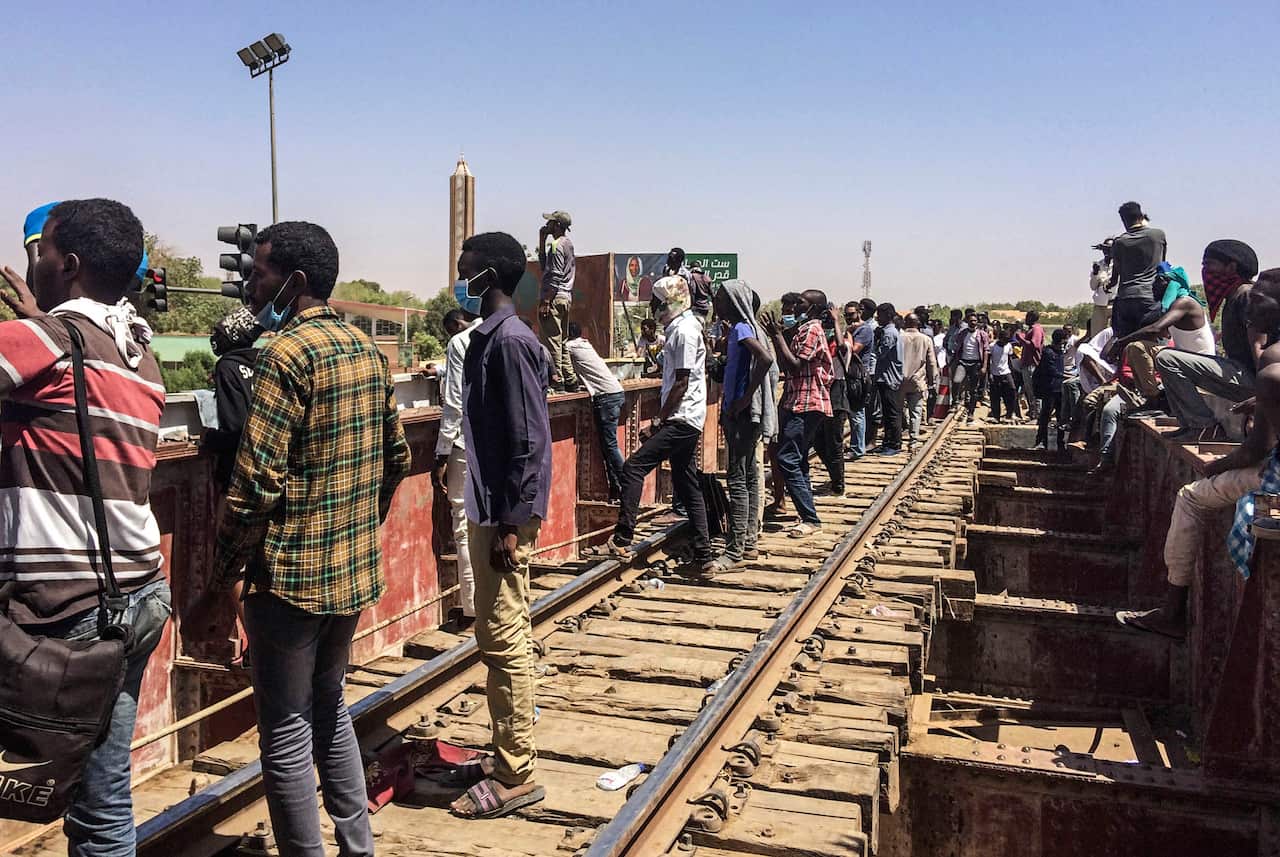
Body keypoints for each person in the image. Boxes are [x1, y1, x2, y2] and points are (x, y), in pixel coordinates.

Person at [211, 221, 411, 853]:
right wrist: (356, 525)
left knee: (288, 729)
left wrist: (222, 576)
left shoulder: (286, 355)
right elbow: (398, 457)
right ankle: (358, 846)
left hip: (290, 579)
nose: (251, 284)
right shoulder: (367, 354)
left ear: (292, 281)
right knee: (330, 708)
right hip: (351, 574)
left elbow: (252, 485)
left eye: (260, 273)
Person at [1, 199, 169, 857]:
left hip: (70, 609)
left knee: (96, 815)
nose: (31, 264)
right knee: (103, 799)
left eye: (39, 251)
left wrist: (33, 324)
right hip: (138, 592)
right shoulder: (138, 356)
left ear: (65, 263)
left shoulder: (44, 340)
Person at [447, 231, 553, 819]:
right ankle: (505, 751)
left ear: (488, 275)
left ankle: (517, 772)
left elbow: (529, 439)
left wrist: (513, 523)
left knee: (505, 637)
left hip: (504, 515)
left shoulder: (509, 342)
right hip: (494, 507)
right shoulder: (493, 340)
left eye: (466, 270)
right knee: (497, 633)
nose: (459, 279)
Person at [1118, 271, 1280, 638]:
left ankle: (1172, 610)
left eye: (1258, 302)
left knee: (1190, 498)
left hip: (1273, 476)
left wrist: (1217, 466)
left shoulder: (1270, 363)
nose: (1248, 309)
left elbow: (1258, 450)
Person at [609, 276, 718, 570]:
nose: (653, 306)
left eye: (656, 301)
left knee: (633, 468)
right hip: (688, 417)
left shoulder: (683, 332)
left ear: (670, 301)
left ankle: (622, 538)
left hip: (681, 418)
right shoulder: (685, 328)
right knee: (687, 481)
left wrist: (658, 421)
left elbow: (681, 382)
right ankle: (703, 554)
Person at [1155, 240, 1263, 439]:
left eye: (1209, 264)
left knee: (1167, 359)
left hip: (1253, 379)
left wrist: (1264, 395)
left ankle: (1203, 427)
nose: (1205, 271)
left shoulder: (1246, 294)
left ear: (1231, 267)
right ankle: (1192, 425)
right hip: (1241, 373)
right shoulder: (1235, 296)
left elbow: (1260, 346)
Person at [761, 289, 834, 537]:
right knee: (797, 458)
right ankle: (808, 514)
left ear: (813, 308)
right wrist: (780, 338)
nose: (795, 308)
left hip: (808, 402)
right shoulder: (803, 330)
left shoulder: (812, 329)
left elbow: (794, 366)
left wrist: (777, 335)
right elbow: (785, 363)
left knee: (787, 459)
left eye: (801, 304)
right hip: (796, 401)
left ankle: (810, 518)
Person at [715, 281, 777, 566]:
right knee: (751, 479)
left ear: (732, 302)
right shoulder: (751, 328)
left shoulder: (741, 328)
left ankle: (734, 551)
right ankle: (749, 542)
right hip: (747, 414)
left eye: (720, 298)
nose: (716, 303)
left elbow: (764, 360)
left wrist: (742, 399)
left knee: (737, 480)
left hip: (741, 416)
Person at [433, 307, 483, 625]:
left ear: (455, 324)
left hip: (466, 443)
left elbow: (453, 401)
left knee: (462, 523)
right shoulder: (502, 333)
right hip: (498, 443)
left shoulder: (460, 341)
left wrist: (441, 454)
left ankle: (472, 607)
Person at [1110, 269, 1215, 412]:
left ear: (1171, 284)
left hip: (1199, 365)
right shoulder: (1173, 307)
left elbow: (1154, 329)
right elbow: (1154, 333)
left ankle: (1155, 400)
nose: (1153, 285)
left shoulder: (1185, 303)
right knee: (1134, 348)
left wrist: (1119, 343)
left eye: (1159, 281)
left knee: (1137, 347)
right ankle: (1152, 396)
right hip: (1184, 360)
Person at [566, 322, 626, 502]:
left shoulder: (569, 347)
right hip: (614, 392)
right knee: (608, 446)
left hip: (605, 397)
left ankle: (627, 483)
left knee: (610, 446)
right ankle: (617, 489)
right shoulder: (585, 344)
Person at [205, 305, 262, 494]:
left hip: (237, 474)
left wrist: (210, 438)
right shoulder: (263, 361)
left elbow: (235, 431)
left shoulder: (227, 366)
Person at [1107, 202, 1168, 338]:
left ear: (1123, 220)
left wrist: (1109, 285)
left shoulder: (1119, 242)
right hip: (1149, 296)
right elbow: (1163, 265)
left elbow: (1115, 275)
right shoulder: (1157, 235)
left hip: (1125, 298)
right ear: (1141, 216)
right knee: (1151, 342)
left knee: (1124, 342)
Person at [537, 210, 577, 392]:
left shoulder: (555, 245)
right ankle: (571, 380)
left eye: (551, 223)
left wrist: (546, 300)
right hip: (565, 297)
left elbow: (554, 274)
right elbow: (545, 266)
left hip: (553, 297)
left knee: (552, 341)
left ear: (558, 226)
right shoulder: (567, 244)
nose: (548, 225)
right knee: (561, 342)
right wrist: (541, 240)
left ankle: (557, 381)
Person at [815, 305, 850, 493]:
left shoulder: (843, 343)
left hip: (837, 393)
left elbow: (842, 347)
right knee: (818, 440)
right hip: (822, 393)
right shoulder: (822, 341)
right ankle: (833, 475)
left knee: (834, 442)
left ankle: (838, 485)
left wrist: (836, 321)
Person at [870, 303, 904, 455]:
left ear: (888, 316)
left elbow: (880, 353)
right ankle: (887, 442)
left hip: (889, 378)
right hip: (885, 377)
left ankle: (895, 444)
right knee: (887, 412)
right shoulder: (889, 331)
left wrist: (876, 339)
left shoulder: (889, 333)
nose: (878, 318)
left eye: (880, 315)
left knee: (892, 413)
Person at [899, 313, 937, 448]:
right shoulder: (925, 339)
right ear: (918, 323)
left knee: (899, 409)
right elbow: (931, 362)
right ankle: (913, 439)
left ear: (905, 323)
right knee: (916, 410)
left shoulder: (899, 337)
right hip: (917, 380)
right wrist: (932, 380)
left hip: (899, 379)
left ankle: (899, 434)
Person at [848, 298, 879, 457]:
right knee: (853, 412)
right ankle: (856, 445)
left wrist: (847, 333)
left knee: (858, 412)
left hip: (860, 375)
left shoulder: (865, 330)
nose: (848, 318)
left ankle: (857, 448)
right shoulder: (854, 329)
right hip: (850, 374)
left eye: (851, 314)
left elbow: (852, 350)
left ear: (859, 313)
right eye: (846, 315)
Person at [1033, 328, 1067, 450]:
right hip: (1050, 389)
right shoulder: (1048, 352)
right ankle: (1041, 441)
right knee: (1045, 416)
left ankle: (1061, 443)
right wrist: (1066, 375)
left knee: (1061, 417)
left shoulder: (1060, 353)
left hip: (1060, 389)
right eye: (1063, 342)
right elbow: (1052, 370)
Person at [953, 310, 990, 422]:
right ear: (968, 322)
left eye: (975, 321)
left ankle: (971, 413)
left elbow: (986, 350)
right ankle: (955, 403)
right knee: (956, 381)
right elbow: (957, 346)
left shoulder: (982, 334)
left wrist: (984, 367)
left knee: (973, 390)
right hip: (963, 362)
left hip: (975, 363)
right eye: (971, 321)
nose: (973, 323)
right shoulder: (962, 333)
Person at [1015, 310, 1045, 420]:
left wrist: (1021, 338)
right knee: (1030, 391)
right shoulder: (1032, 329)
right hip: (1028, 364)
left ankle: (1037, 416)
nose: (1025, 319)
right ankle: (1034, 414)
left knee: (1034, 391)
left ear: (1032, 318)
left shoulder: (1036, 329)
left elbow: (1035, 345)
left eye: (1027, 317)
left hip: (1032, 364)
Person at [988, 326, 1021, 423]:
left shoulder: (1008, 346)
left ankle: (1010, 414)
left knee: (1012, 391)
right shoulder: (992, 346)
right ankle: (996, 416)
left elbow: (1009, 359)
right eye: (1005, 339)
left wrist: (1012, 372)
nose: (1006, 341)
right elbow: (989, 360)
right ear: (1000, 338)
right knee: (995, 395)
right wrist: (989, 374)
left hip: (1006, 372)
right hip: (995, 373)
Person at [1090, 241, 1115, 335]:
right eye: (1104, 248)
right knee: (1096, 335)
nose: (1106, 251)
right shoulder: (1098, 265)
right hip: (1100, 305)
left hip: (1115, 304)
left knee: (1115, 334)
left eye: (1109, 248)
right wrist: (1095, 274)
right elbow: (1093, 287)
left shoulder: (1120, 264)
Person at [928, 318, 947, 424]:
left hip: (941, 365)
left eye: (935, 325)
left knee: (939, 390)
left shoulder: (942, 338)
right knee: (934, 390)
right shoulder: (931, 338)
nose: (933, 328)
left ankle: (938, 412)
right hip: (933, 366)